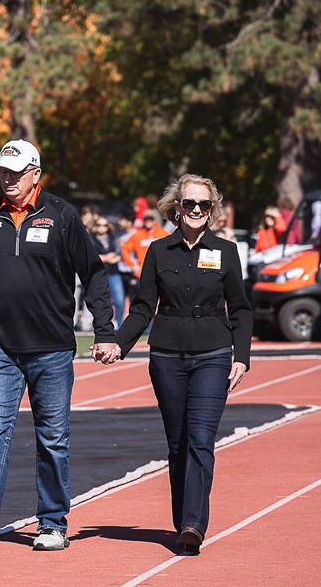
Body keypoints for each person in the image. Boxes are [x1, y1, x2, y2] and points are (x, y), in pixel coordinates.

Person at [0, 139, 118, 553]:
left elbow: (92, 274)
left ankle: (53, 522)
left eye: (15, 172)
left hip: (52, 348)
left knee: (53, 437)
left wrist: (106, 330)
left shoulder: (61, 215)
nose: (7, 179)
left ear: (35, 174)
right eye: (2, 172)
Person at [103, 174, 252, 555]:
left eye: (204, 205)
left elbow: (240, 309)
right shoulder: (158, 251)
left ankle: (193, 524)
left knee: (201, 440)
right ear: (176, 208)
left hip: (214, 355)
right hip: (166, 356)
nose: (197, 210)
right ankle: (182, 518)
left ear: (212, 210)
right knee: (178, 443)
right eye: (190, 204)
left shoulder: (226, 251)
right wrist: (118, 344)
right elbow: (141, 308)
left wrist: (242, 357)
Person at [90, 218, 124, 326]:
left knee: (119, 301)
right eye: (99, 225)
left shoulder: (113, 238)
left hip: (114, 273)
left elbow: (119, 255)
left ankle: (119, 324)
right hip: (98, 274)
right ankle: (102, 325)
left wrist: (110, 259)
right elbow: (91, 256)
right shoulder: (91, 239)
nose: (101, 227)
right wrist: (106, 257)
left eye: (104, 225)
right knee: (100, 302)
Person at [122, 209, 170, 279]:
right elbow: (125, 248)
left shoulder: (163, 234)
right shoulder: (137, 235)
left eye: (151, 218)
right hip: (143, 275)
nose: (148, 221)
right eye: (146, 219)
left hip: (161, 274)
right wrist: (133, 265)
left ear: (155, 219)